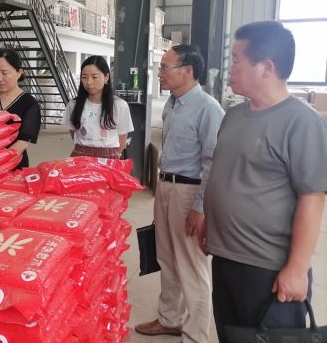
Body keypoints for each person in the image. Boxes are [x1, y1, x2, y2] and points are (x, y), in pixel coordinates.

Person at [200, 21, 327, 342]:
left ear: (266, 67)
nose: (229, 69)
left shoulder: (301, 122)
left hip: (267, 268)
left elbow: (312, 200)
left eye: (237, 60)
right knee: (232, 336)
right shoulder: (233, 116)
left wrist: (296, 270)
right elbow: (227, 175)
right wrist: (210, 223)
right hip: (226, 258)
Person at [135, 45, 224, 343]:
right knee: (167, 257)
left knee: (191, 264)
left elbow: (213, 163)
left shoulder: (208, 109)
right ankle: (170, 319)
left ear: (187, 71)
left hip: (189, 191)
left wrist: (201, 207)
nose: (159, 73)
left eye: (165, 67)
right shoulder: (172, 104)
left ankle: (196, 334)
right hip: (165, 185)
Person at [0, 49, 41, 169]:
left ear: (19, 73)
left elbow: (23, 142)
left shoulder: (29, 103)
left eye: (5, 73)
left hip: (13, 163)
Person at [62, 56, 133, 159]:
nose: (89, 82)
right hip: (80, 155)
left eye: (94, 77)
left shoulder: (119, 105)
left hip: (109, 156)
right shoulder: (73, 105)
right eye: (84, 77)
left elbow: (122, 136)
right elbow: (73, 132)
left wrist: (115, 154)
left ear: (106, 77)